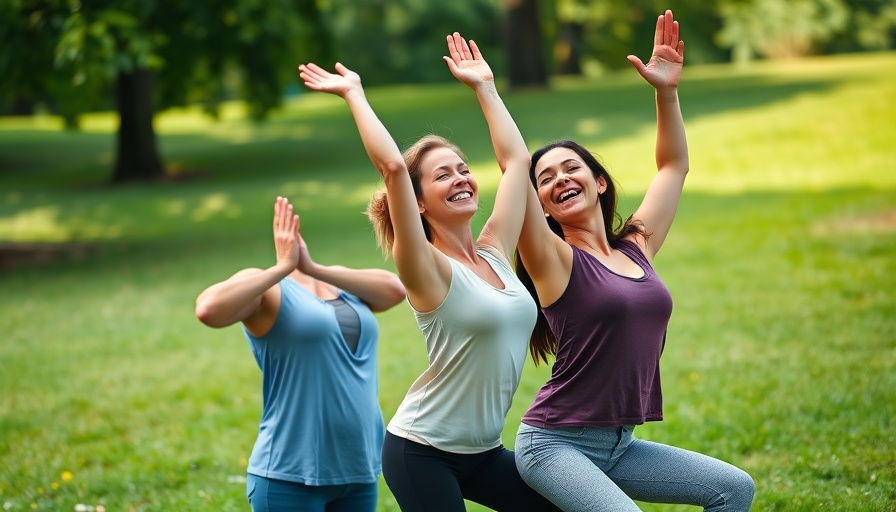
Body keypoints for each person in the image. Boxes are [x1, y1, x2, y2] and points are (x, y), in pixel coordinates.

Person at [299, 34, 560, 512]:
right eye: (443, 175)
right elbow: (394, 169)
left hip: (482, 452)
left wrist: (485, 88)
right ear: (418, 203)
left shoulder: (495, 251)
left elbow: (518, 163)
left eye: (462, 169)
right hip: (421, 452)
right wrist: (354, 93)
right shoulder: (424, 267)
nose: (461, 178)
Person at [510, 10, 756, 512]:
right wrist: (490, 92)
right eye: (545, 179)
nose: (559, 179)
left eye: (571, 167)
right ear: (539, 205)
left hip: (619, 446)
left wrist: (666, 92)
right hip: (554, 443)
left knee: (734, 489)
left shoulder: (635, 246)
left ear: (599, 181)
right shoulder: (554, 259)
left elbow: (673, 166)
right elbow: (512, 162)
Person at [194, 196, 406, 512]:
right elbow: (209, 309)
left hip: (357, 472)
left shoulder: (336, 283)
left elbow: (395, 290)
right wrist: (281, 269)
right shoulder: (268, 290)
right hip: (289, 477)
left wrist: (313, 268)